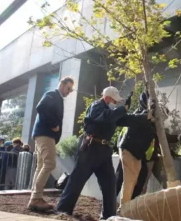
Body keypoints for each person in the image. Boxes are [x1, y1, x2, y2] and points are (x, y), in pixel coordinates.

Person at [56, 86, 152, 220]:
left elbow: (127, 120)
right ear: (107, 98)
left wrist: (145, 117)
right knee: (77, 181)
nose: (117, 103)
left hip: (104, 151)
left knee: (110, 184)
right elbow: (103, 118)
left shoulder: (112, 111)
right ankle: (63, 211)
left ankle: (109, 216)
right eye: (114, 100)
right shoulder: (96, 106)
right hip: (90, 148)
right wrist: (122, 109)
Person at [28, 76, 75, 211]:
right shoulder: (52, 94)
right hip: (45, 134)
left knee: (41, 165)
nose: (69, 91)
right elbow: (41, 107)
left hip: (43, 134)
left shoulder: (56, 97)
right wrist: (54, 124)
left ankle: (35, 197)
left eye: (71, 90)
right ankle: (36, 198)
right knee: (49, 164)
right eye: (68, 88)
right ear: (61, 84)